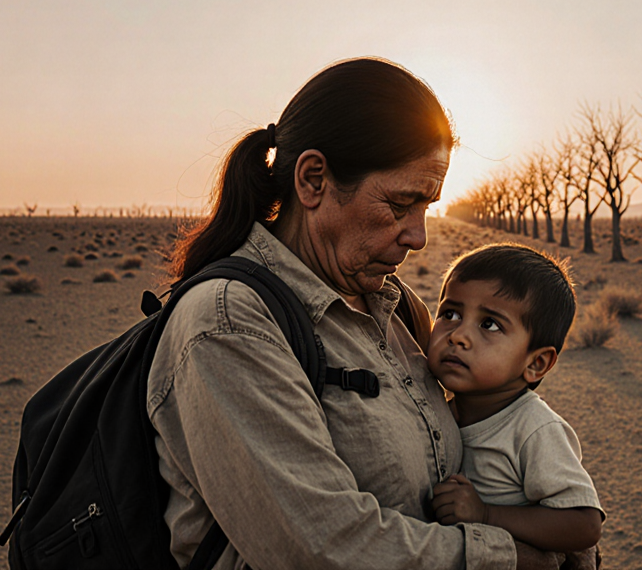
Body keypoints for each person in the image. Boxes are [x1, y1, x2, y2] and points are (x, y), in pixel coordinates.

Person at [148, 57, 581, 569]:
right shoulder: (228, 323)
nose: (418, 236)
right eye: (400, 205)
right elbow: (320, 548)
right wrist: (514, 558)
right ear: (313, 180)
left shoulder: (394, 305)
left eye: (428, 207)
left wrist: (559, 528)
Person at [426, 244, 604, 556]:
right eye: (450, 314)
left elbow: (585, 524)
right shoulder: (432, 408)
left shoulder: (534, 429)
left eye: (489, 324)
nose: (458, 335)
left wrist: (486, 514)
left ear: (536, 363)